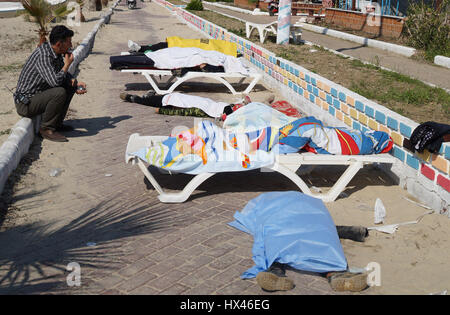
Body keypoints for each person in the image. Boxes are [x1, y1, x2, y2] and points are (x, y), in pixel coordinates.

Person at [14, 25, 87, 142]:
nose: (71, 45)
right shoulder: (44, 56)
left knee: (68, 86)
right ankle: (46, 129)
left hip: (38, 96)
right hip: (26, 103)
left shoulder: (55, 52)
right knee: (59, 92)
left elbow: (59, 73)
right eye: (68, 42)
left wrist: (74, 82)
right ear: (59, 44)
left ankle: (57, 124)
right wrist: (67, 65)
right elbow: (54, 82)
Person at [256, 225, 370, 292]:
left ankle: (275, 274)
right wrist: (358, 231)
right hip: (313, 230)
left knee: (278, 246)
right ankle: (336, 274)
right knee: (323, 242)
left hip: (286, 233)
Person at [119, 91, 252, 120]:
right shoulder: (220, 107)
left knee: (151, 100)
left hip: (171, 100)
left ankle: (134, 98)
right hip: (175, 98)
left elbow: (182, 112)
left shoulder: (203, 111)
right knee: (153, 99)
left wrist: (162, 111)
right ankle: (138, 98)